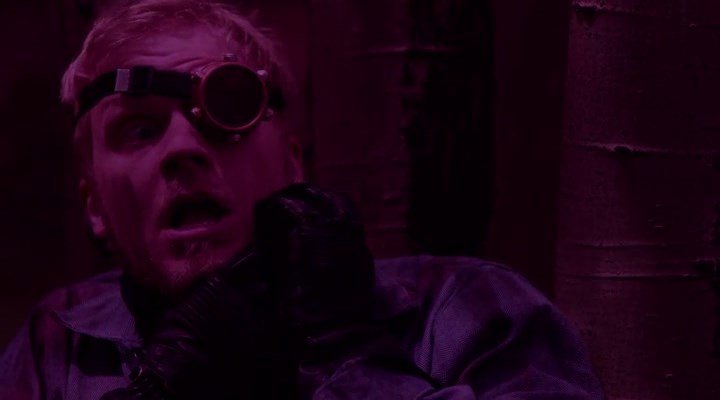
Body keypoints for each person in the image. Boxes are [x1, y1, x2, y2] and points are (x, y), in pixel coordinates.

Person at [0, 1, 604, 399]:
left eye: (228, 111)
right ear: (94, 205)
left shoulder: (465, 312)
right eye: (138, 129)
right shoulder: (58, 348)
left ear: (293, 163)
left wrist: (347, 356)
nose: (182, 148)